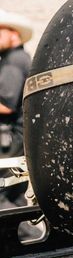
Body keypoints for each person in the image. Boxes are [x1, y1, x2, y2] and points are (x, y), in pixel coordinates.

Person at [0, 9, 32, 158]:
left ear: (14, 33)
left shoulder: (13, 60)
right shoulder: (18, 58)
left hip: (9, 139)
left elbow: (5, 105)